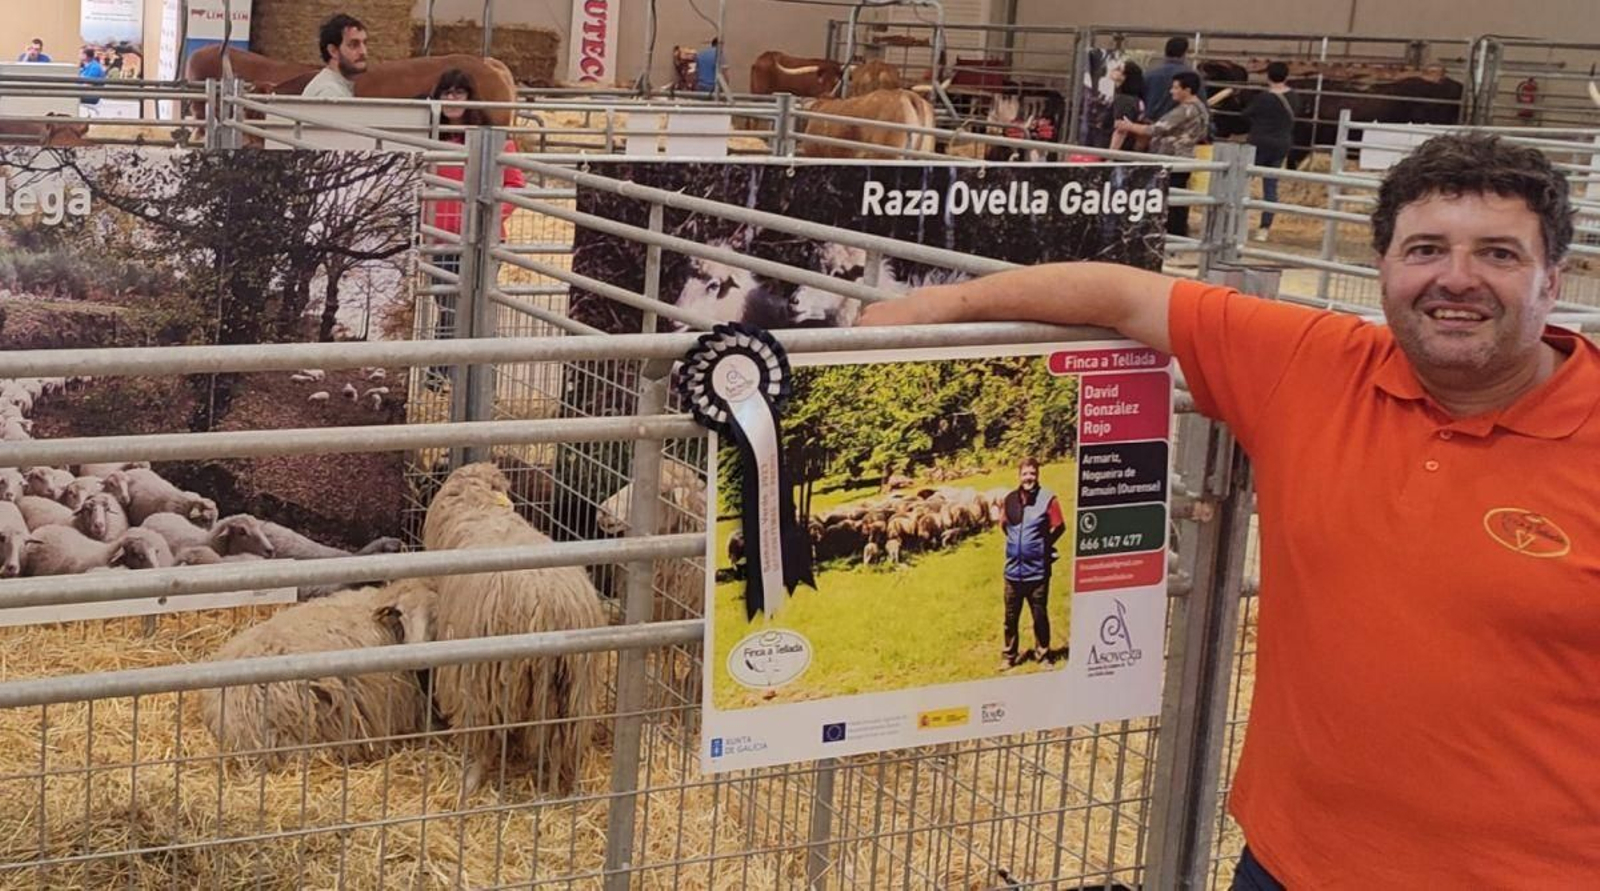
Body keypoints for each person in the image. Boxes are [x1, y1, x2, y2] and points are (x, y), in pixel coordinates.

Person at [858, 132, 1597, 887]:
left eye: (1500, 254)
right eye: (1426, 249)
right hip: (1289, 861)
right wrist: (928, 311)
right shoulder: (1315, 366)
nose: (1457, 278)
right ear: (1383, 268)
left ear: (1554, 279)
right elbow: (1121, 294)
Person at [424, 68, 527, 388]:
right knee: (449, 307)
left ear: (470, 98)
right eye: (446, 93)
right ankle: (445, 377)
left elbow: (515, 184)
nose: (452, 100)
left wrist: (492, 218)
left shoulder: (493, 140)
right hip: (441, 240)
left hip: (482, 239)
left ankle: (477, 382)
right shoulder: (429, 140)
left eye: (459, 93)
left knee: (480, 311)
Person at [1115, 71, 1209, 238]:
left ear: (1187, 90)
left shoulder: (1185, 110)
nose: (1171, 91)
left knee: (1171, 201)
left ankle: (1173, 235)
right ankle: (1177, 235)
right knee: (1177, 201)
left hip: (1173, 158)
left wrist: (1129, 126)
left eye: (1175, 88)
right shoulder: (1201, 108)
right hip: (1185, 157)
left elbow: (1156, 129)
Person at [994, 457, 1065, 669]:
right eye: (1025, 474)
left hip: (1038, 572)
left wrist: (1044, 545)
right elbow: (1004, 525)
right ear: (1019, 476)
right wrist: (1017, 544)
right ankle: (1009, 656)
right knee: (1010, 618)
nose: (1028, 478)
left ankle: (1043, 656)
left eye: (1032, 474)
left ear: (1038, 475)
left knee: (1039, 616)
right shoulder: (1010, 499)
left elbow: (1060, 526)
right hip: (1013, 572)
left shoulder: (1048, 499)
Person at [1241, 62, 1296, 242]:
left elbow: (1246, 114)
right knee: (1270, 186)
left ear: (1268, 76)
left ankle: (1237, 222)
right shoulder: (1294, 97)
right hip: (1281, 143)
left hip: (1259, 142)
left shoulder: (1263, 98)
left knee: (1244, 182)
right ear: (1286, 76)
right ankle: (1264, 229)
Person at [303, 13, 368, 99]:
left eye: (365, 43)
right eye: (353, 44)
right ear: (333, 51)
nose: (363, 51)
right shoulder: (330, 92)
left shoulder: (336, 87)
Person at [1142, 36, 1202, 123]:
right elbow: (1199, 102)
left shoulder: (1149, 74)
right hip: (1179, 125)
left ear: (1165, 52)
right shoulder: (1193, 76)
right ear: (1184, 53)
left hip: (1150, 124)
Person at [1107, 60, 1146, 152]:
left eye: (1118, 69)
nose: (1113, 70)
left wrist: (1110, 156)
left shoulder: (1124, 100)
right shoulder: (1134, 99)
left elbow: (1120, 130)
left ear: (1125, 77)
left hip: (1116, 150)